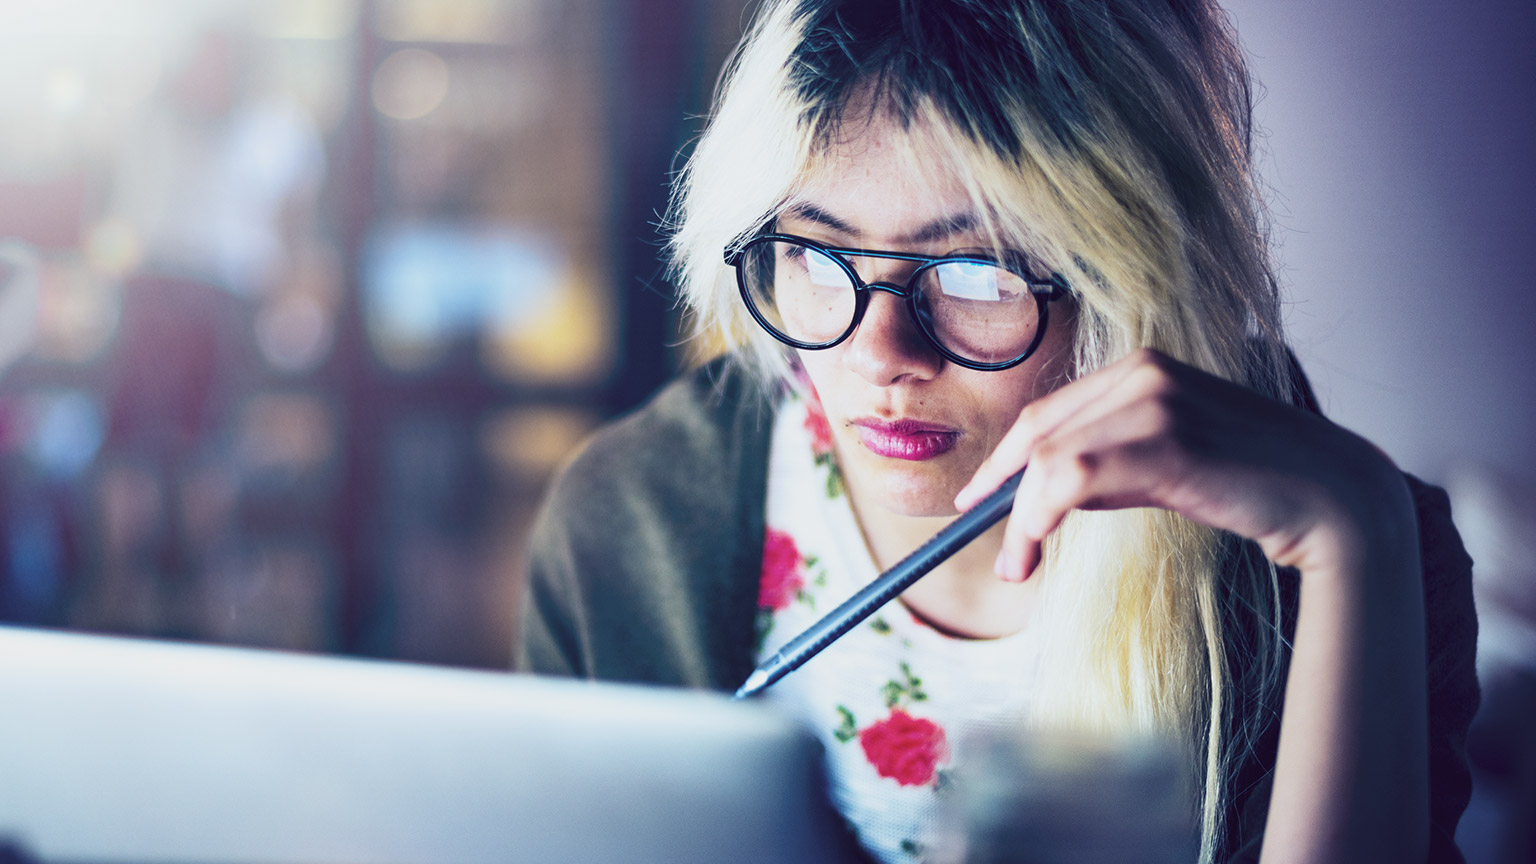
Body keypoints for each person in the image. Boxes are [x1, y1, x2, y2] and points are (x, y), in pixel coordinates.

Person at [515, 1, 1479, 862]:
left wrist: (1357, 533)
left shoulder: (1356, 562)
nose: (883, 352)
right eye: (811, 252)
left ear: (1131, 278)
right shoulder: (629, 515)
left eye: (977, 272)